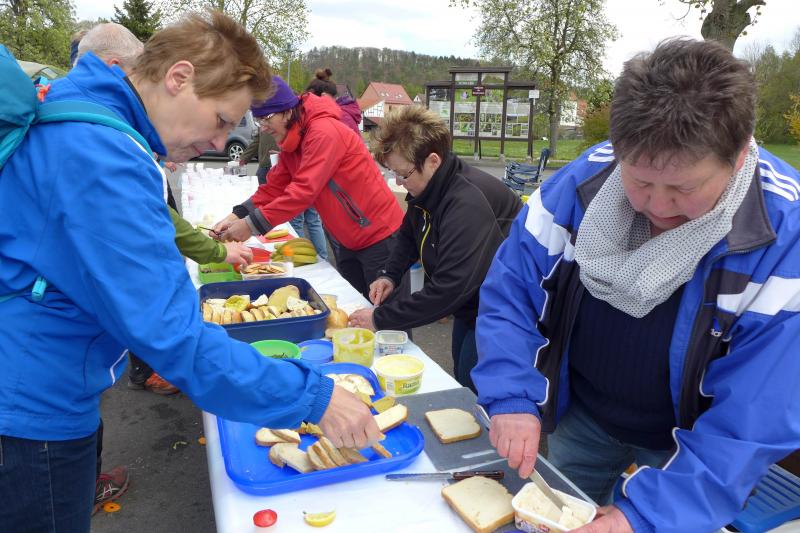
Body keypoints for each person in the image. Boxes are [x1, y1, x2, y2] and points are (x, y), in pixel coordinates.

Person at [0, 11, 381, 532]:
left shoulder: (91, 122)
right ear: (179, 78)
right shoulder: (102, 155)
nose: (222, 142)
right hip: (31, 409)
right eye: (222, 120)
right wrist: (313, 396)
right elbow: (173, 334)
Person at [472, 38, 800, 532]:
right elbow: (513, 289)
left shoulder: (785, 235)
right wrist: (511, 394)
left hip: (686, 449)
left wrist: (645, 516)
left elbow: (757, 413)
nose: (657, 207)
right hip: (584, 418)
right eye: (640, 182)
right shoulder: (582, 181)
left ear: (736, 158)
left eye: (683, 188)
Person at [348, 106, 521, 391]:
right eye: (394, 173)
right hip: (471, 304)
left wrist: (379, 318)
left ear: (432, 161)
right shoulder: (431, 187)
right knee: (461, 372)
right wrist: (389, 275)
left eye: (403, 174)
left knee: (475, 383)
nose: (398, 182)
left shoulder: (466, 203)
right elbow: (408, 234)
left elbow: (449, 288)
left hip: (501, 311)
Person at [214, 75, 404, 298]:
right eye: (258, 120)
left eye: (266, 118)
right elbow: (273, 188)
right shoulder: (293, 141)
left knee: (386, 312)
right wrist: (235, 216)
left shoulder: (324, 132)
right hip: (349, 240)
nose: (263, 127)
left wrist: (250, 225)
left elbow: (303, 192)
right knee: (358, 305)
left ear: (287, 111)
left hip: (379, 237)